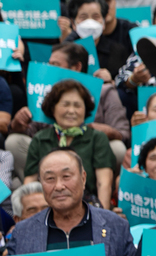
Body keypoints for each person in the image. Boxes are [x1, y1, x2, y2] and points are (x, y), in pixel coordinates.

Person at [0, 149, 134, 256]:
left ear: (83, 178)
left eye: (66, 176)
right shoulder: (23, 232)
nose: (59, 186)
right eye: (50, 179)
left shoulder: (116, 226)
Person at [22, 79, 116, 208]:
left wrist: (102, 215)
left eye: (77, 105)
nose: (71, 111)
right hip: (48, 205)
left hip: (87, 205)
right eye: (65, 105)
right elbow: (30, 182)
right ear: (53, 108)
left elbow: (104, 183)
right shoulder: (40, 139)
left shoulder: (97, 138)